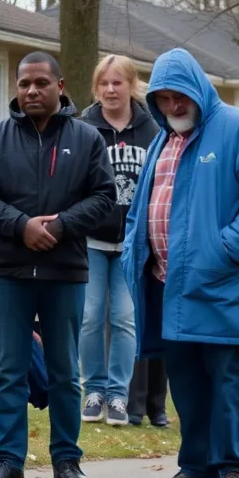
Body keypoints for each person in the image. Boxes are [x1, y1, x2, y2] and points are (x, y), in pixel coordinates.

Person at [122, 48, 239, 478]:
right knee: (186, 379)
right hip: (167, 284)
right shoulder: (163, 139)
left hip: (220, 283)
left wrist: (224, 249)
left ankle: (236, 469)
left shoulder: (237, 129)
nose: (174, 106)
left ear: (199, 90)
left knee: (225, 377)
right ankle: (196, 467)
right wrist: (133, 252)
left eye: (180, 96)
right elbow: (144, 205)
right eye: (165, 98)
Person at [0, 52, 115, 478]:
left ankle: (67, 461)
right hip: (8, 270)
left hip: (64, 270)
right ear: (16, 87)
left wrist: (62, 226)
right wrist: (21, 226)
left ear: (60, 86)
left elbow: (104, 196)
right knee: (9, 369)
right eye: (24, 83)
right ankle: (8, 462)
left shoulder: (87, 139)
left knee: (65, 369)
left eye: (41, 83)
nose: (32, 90)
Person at [78, 54, 159, 428]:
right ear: (96, 88)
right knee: (91, 316)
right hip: (91, 240)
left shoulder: (152, 130)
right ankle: (93, 391)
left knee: (125, 319)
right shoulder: (82, 128)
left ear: (131, 85)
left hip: (132, 245)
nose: (111, 90)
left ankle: (118, 396)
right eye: (104, 84)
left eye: (118, 83)